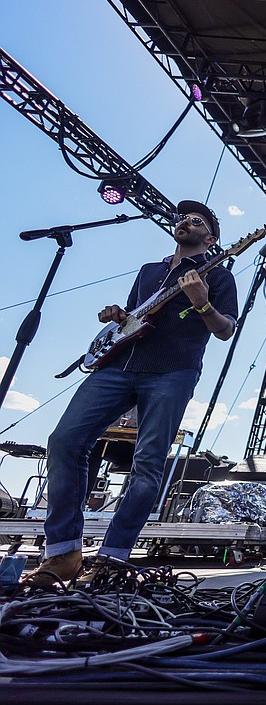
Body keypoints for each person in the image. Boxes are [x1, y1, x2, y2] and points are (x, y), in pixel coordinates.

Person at [23, 200, 239, 587]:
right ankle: (63, 552)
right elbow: (138, 314)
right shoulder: (150, 271)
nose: (184, 222)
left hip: (172, 372)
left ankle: (112, 558)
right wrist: (118, 315)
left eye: (195, 220)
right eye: (182, 218)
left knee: (147, 464)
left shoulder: (218, 277)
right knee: (65, 441)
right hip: (118, 366)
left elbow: (224, 330)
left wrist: (202, 302)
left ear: (210, 238)